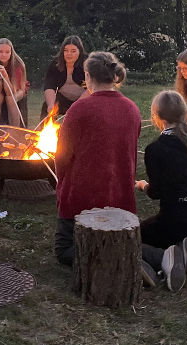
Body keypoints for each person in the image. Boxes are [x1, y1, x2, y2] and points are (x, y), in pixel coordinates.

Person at [53, 52, 140, 267]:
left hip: (82, 198)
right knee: (114, 240)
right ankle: (148, 256)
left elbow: (62, 155)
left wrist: (61, 183)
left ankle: (109, 256)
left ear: (88, 76)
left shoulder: (80, 109)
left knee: (64, 250)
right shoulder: (132, 109)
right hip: (120, 195)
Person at [135, 91, 187, 292]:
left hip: (174, 221)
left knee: (133, 236)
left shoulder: (157, 149)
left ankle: (167, 259)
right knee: (175, 231)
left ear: (156, 116)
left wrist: (142, 185)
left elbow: (157, 192)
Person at [0, 38, 29, 127]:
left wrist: (5, 76)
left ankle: (15, 131)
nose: (3, 55)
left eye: (7, 52)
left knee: (10, 99)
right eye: (0, 51)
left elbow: (11, 92)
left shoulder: (18, 64)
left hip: (19, 88)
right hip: (0, 87)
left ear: (11, 52)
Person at [42, 35, 88, 119]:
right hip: (62, 100)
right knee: (47, 106)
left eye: (73, 51)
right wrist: (51, 105)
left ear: (80, 52)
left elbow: (91, 88)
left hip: (83, 101)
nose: (69, 54)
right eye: (66, 50)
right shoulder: (55, 64)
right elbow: (49, 85)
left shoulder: (87, 64)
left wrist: (77, 105)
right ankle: (42, 131)